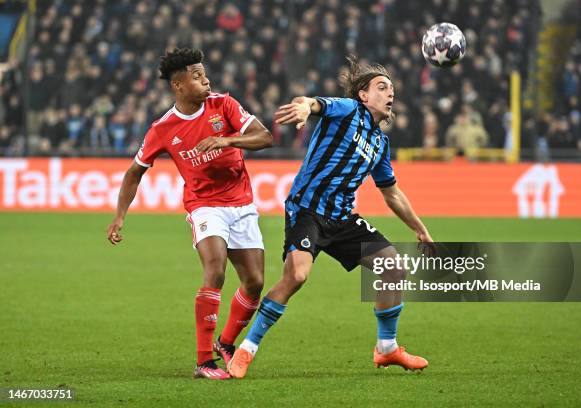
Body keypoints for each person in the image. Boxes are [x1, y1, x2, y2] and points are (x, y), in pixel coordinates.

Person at [228, 56, 433, 379]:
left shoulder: (380, 143)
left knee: (393, 268)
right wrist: (303, 108)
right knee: (297, 276)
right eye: (382, 87)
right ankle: (245, 350)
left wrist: (420, 230)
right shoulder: (348, 110)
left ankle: (387, 348)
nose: (390, 93)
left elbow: (391, 192)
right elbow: (311, 103)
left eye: (392, 89)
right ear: (363, 95)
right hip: (307, 210)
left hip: (342, 219)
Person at [106, 48, 273, 380]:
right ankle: (203, 361)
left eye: (205, 73)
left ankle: (226, 342)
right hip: (204, 204)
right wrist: (120, 216)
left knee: (254, 283)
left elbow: (264, 137)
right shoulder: (163, 128)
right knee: (215, 270)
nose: (205, 79)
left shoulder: (223, 104)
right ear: (178, 85)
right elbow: (134, 172)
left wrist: (226, 141)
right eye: (197, 76)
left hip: (241, 202)